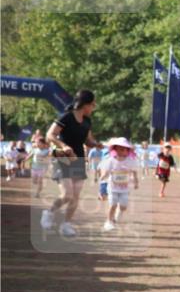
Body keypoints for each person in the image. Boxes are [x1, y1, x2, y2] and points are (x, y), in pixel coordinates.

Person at [41, 89, 101, 238]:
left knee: (75, 196)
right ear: (86, 104)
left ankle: (66, 224)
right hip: (62, 157)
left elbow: (88, 140)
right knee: (67, 194)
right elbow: (50, 135)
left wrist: (97, 144)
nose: (93, 108)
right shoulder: (66, 117)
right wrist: (63, 146)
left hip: (78, 159)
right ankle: (49, 213)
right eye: (93, 105)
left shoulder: (87, 121)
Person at [98, 137, 140, 231]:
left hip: (125, 189)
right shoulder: (111, 160)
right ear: (115, 149)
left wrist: (136, 181)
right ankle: (108, 222)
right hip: (112, 188)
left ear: (127, 150)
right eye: (119, 149)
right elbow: (106, 171)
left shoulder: (130, 161)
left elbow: (134, 171)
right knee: (113, 205)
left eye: (124, 149)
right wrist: (103, 176)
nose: (122, 151)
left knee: (123, 206)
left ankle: (117, 216)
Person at [29, 133, 51, 197]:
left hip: (42, 168)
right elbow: (31, 155)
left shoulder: (47, 151)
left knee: (39, 181)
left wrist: (44, 159)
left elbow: (48, 158)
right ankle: (39, 186)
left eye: (38, 143)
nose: (37, 144)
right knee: (34, 181)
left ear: (43, 144)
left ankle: (37, 193)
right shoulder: (35, 149)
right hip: (34, 167)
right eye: (36, 143)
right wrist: (25, 159)